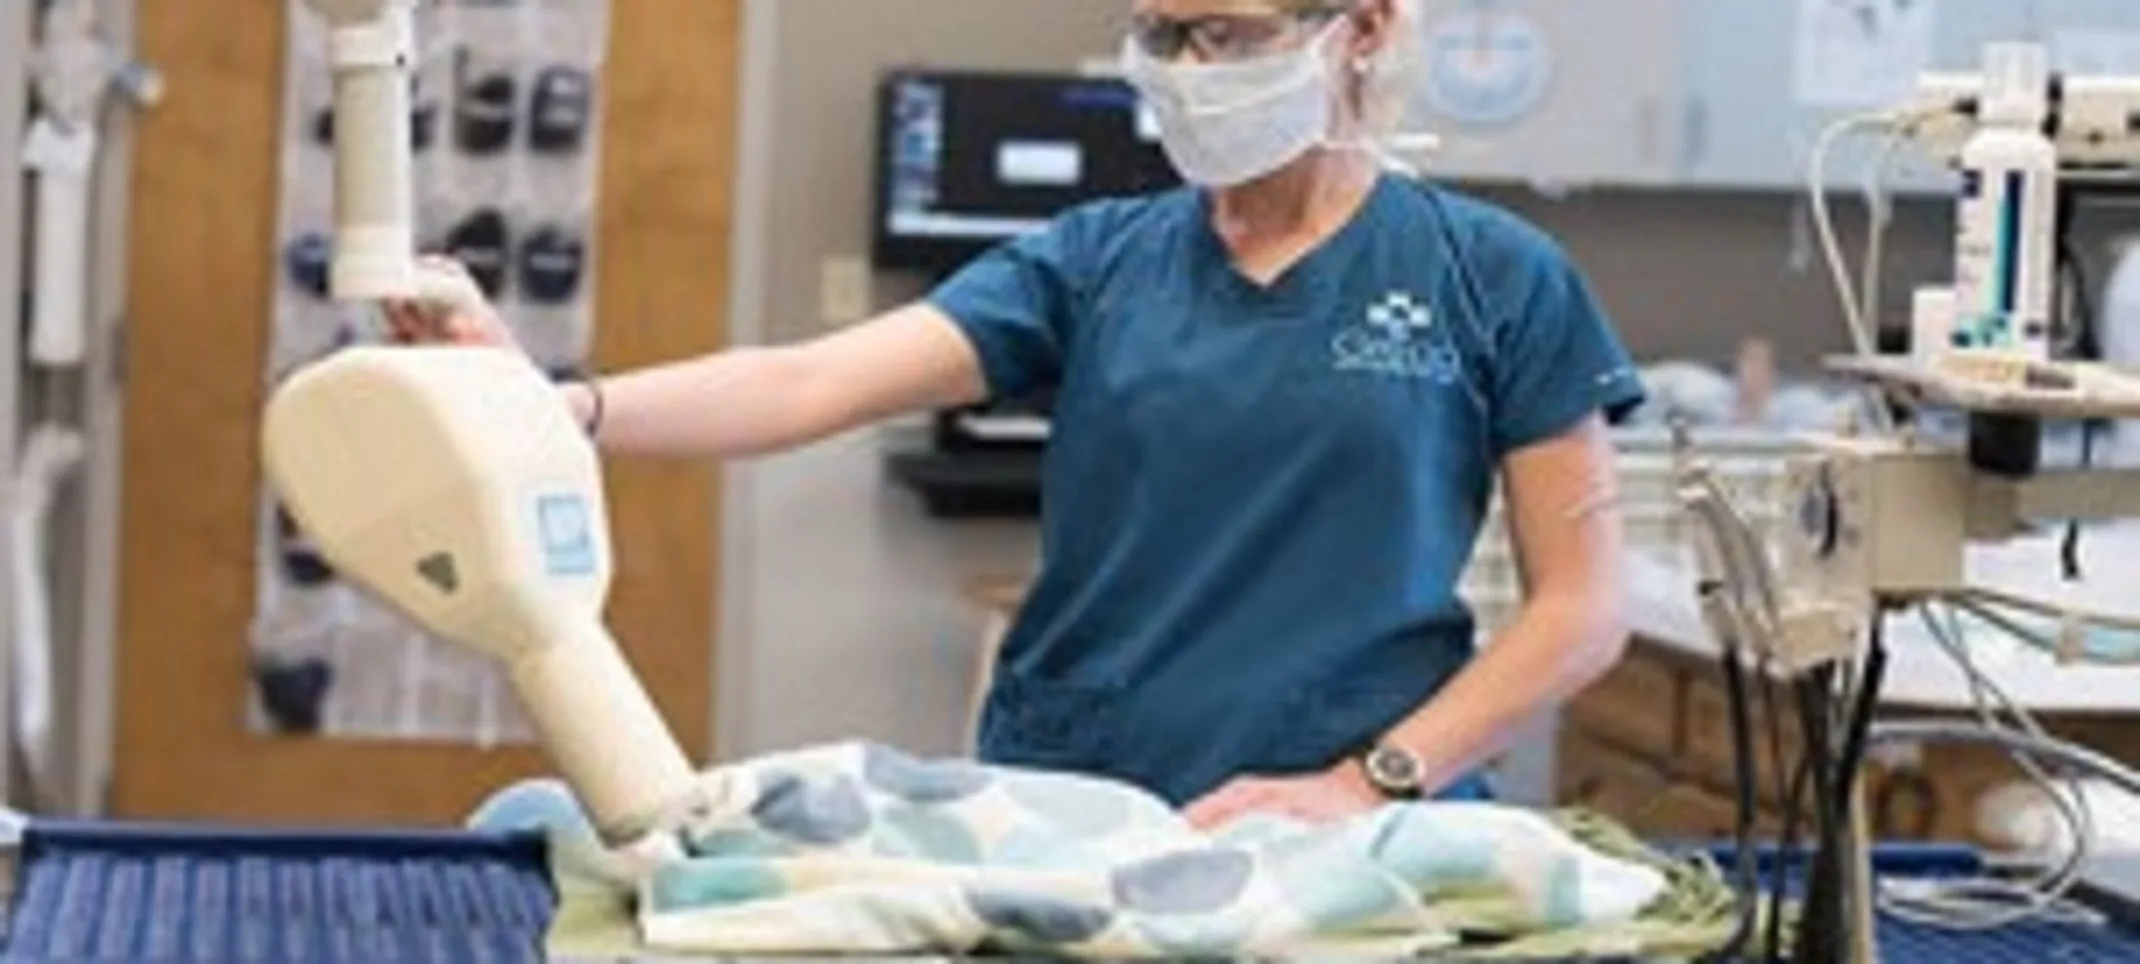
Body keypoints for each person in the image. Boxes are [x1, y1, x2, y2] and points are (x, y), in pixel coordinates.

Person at [386, 0, 1644, 829]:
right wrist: (552, 402)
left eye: (1232, 35)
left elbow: (1581, 607)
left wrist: (1366, 785)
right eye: (1167, 35)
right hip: (1082, 810)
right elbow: (806, 382)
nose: (1195, 72)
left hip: (1362, 824)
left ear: (1358, 30)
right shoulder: (1095, 262)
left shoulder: (1494, 277)